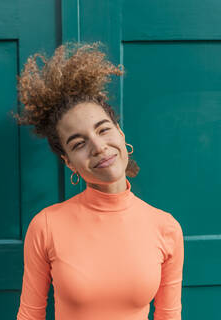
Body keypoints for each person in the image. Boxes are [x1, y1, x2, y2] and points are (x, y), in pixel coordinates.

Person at [14, 41, 184, 320]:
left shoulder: (166, 228)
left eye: (103, 129)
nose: (98, 146)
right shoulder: (46, 226)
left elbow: (169, 316)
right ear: (69, 162)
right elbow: (30, 315)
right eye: (79, 143)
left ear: (120, 133)